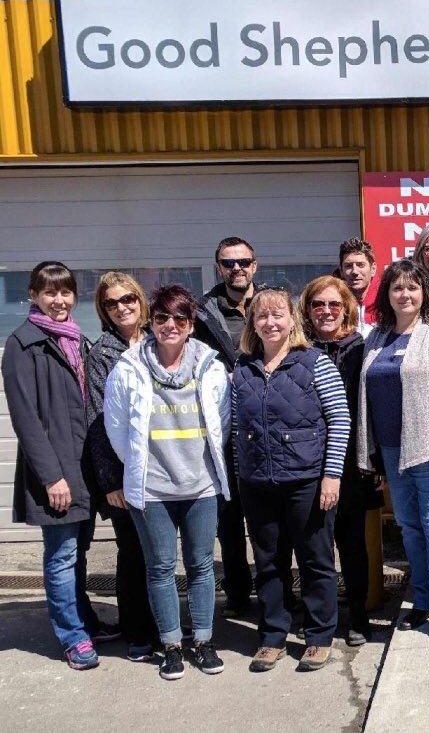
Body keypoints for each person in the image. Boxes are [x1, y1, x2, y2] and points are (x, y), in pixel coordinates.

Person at [104, 284, 231, 680]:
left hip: (200, 487)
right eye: (162, 318)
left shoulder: (211, 367)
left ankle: (203, 641)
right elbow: (116, 427)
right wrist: (141, 469)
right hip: (153, 489)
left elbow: (222, 424)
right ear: (151, 322)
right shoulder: (129, 368)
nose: (170, 326)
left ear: (191, 324)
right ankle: (172, 644)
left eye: (180, 318)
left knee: (200, 566)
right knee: (159, 567)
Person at [3, 261, 116, 671]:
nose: (59, 300)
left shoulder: (78, 340)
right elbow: (26, 419)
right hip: (57, 473)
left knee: (78, 552)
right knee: (62, 555)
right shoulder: (23, 344)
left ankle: (83, 620)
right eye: (49, 293)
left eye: (65, 292)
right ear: (33, 295)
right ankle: (72, 637)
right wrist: (52, 477)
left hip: (82, 467)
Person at [233, 288, 351, 673]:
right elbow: (236, 428)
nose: (270, 323)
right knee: (268, 562)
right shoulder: (243, 368)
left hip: (306, 480)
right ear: (253, 323)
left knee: (315, 559)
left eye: (277, 315)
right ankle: (273, 636)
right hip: (258, 482)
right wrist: (240, 474)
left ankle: (319, 636)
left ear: (292, 320)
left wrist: (331, 475)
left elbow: (339, 420)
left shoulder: (314, 363)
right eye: (262, 316)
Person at [357, 260, 429, 647]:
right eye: (397, 289)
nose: (405, 295)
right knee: (410, 527)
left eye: (412, 288)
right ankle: (422, 600)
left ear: (424, 292)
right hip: (392, 451)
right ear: (386, 295)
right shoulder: (377, 336)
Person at [299, 275, 384, 647]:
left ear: (347, 308)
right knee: (314, 545)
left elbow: (376, 407)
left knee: (352, 545)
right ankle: (319, 614)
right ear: (307, 310)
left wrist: (375, 461)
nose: (327, 311)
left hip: (352, 461)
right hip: (307, 461)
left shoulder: (362, 349)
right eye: (319, 304)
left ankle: (359, 615)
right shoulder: (296, 351)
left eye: (335, 304)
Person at [84, 272, 158, 661]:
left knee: (160, 555)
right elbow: (98, 421)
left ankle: (166, 627)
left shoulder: (159, 339)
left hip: (163, 470)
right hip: (125, 475)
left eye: (127, 298)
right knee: (132, 553)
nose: (121, 307)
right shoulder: (103, 354)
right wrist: (111, 482)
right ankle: (138, 633)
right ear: (103, 309)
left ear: (140, 300)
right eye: (111, 303)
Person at [193, 236, 257, 617]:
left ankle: (276, 593)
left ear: (255, 264)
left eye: (243, 261)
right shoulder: (202, 313)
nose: (237, 268)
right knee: (230, 523)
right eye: (228, 263)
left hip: (267, 426)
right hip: (221, 431)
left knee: (269, 523)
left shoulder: (271, 304)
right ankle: (237, 595)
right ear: (218, 267)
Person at [336, 237, 380, 336]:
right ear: (341, 270)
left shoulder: (387, 299)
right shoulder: (332, 302)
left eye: (360, 265)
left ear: (373, 269)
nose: (355, 272)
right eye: (348, 266)